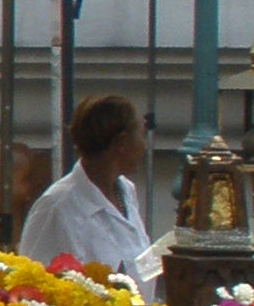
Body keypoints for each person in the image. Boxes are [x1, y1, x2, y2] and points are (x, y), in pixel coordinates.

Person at [15, 95, 162, 292]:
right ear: (122, 143)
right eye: (141, 135)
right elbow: (34, 287)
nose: (144, 145)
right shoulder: (55, 207)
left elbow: (136, 265)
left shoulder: (126, 190)